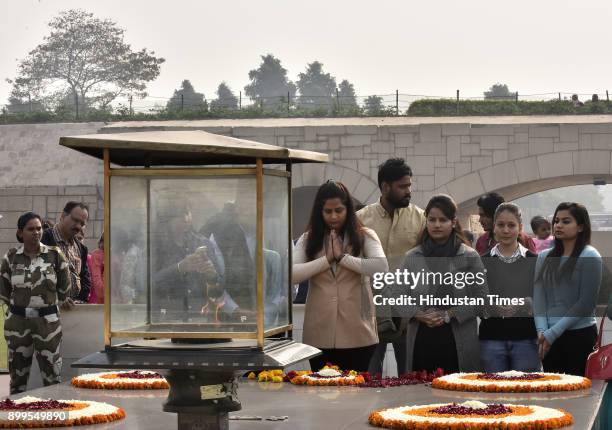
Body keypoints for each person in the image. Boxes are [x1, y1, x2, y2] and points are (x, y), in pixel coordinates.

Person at [293, 180, 388, 372]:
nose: (333, 216)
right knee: (322, 393)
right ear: (320, 212)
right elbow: (292, 274)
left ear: (348, 210)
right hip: (319, 333)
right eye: (328, 211)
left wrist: (343, 258)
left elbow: (381, 268)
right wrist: (326, 260)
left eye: (339, 210)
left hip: (358, 332)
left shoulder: (365, 235)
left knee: (358, 393)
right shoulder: (308, 239)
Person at [397, 194, 486, 373]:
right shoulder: (412, 257)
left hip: (458, 338)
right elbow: (398, 296)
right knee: (421, 394)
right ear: (426, 221)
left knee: (457, 395)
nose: (437, 225)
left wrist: (449, 314)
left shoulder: (469, 256)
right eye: (432, 220)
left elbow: (481, 298)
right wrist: (418, 314)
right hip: (422, 338)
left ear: (453, 222)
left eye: (443, 220)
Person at [356, 158, 425, 376]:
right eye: (402, 186)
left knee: (411, 379)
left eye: (409, 186)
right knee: (369, 381)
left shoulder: (420, 218)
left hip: (409, 314)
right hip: (370, 314)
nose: (408, 191)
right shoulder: (360, 220)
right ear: (385, 187)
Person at [0, 212, 70, 394]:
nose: (36, 232)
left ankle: (54, 416)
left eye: (39, 228)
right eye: (31, 229)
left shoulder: (54, 255)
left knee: (53, 377)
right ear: (20, 232)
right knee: (17, 379)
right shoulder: (11, 257)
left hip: (47, 325)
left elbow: (64, 288)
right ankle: (16, 418)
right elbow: (4, 290)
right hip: (18, 324)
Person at [533, 202, 601, 375]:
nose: (558, 225)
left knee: (578, 394)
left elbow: (585, 303)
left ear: (580, 226)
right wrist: (542, 332)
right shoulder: (543, 257)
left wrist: (552, 333)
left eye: (566, 221)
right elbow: (539, 298)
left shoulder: (590, 256)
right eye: (556, 221)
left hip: (579, 336)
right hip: (548, 337)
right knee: (552, 394)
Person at [480, 203, 540, 372]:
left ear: (520, 227)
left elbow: (543, 300)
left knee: (525, 395)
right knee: (493, 395)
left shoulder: (533, 260)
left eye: (511, 225)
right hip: (491, 339)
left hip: (526, 339)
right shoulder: (481, 261)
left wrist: (524, 304)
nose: (506, 230)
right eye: (501, 225)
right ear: (494, 226)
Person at [152, 204, 227, 323]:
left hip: (200, 317)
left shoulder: (204, 243)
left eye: (187, 213)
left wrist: (211, 274)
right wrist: (179, 268)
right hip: (166, 319)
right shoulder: (156, 246)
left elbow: (219, 292)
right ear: (167, 220)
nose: (185, 219)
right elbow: (145, 285)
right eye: (179, 215)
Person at [41, 201, 91, 303]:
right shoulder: (43, 240)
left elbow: (85, 280)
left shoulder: (81, 248)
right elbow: (36, 276)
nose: (78, 226)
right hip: (48, 310)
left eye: (82, 223)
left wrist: (80, 300)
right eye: (75, 220)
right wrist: (58, 299)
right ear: (63, 216)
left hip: (74, 311)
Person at [88, 235, 104, 304]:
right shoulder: (97, 255)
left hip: (118, 300)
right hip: (103, 300)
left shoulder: (119, 254)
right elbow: (98, 285)